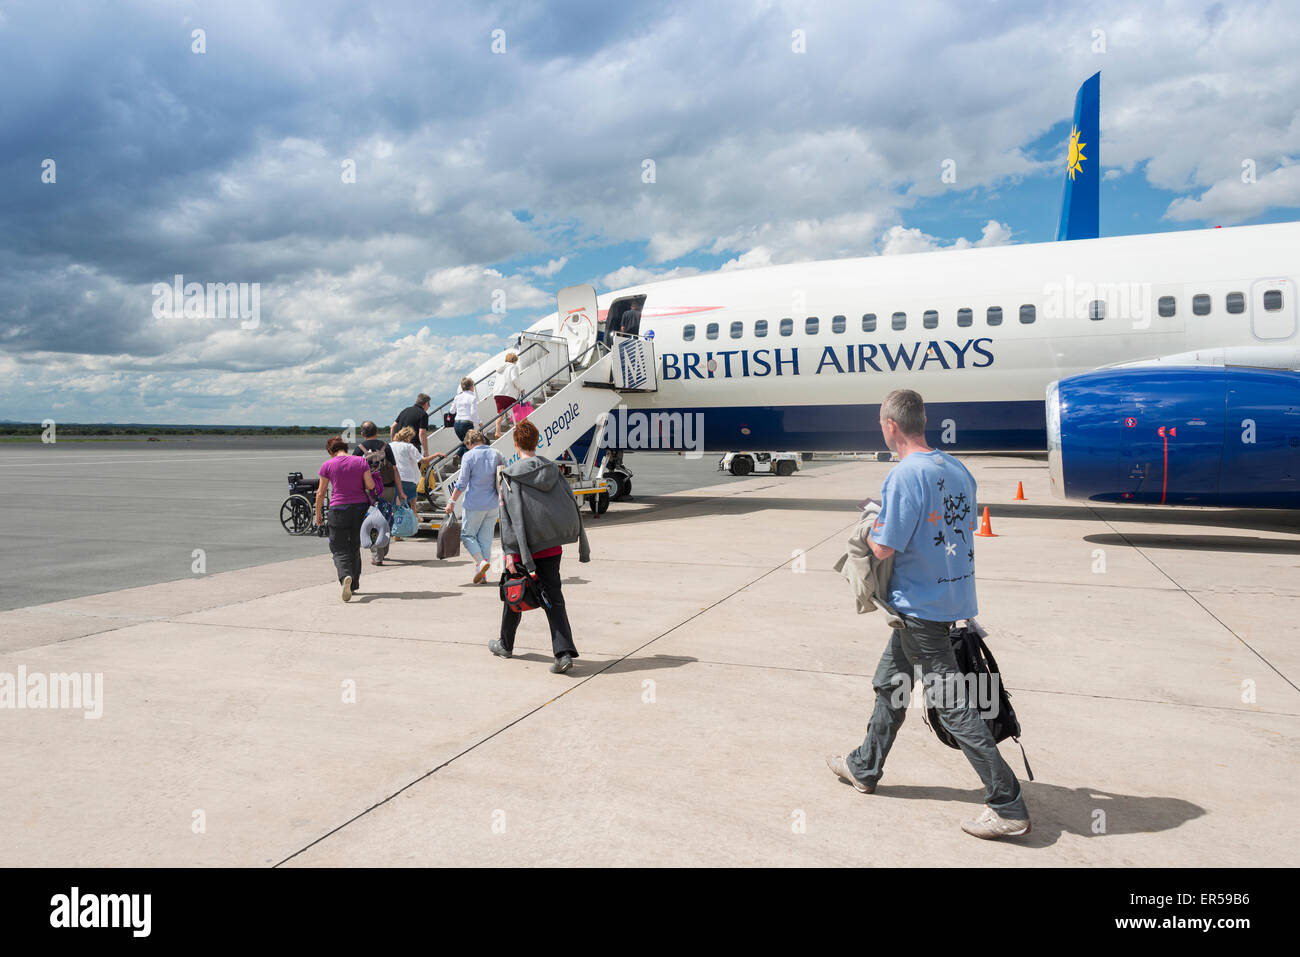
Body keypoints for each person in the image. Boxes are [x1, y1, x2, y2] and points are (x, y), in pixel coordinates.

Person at [825, 388, 1031, 840]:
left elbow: (883, 546)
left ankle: (1007, 803)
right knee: (891, 685)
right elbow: (959, 526)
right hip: (949, 599)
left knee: (953, 705)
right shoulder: (956, 468)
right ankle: (864, 765)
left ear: (889, 425)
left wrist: (871, 520)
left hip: (921, 609)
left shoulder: (904, 475)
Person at [492, 419, 590, 673]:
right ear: (537, 442)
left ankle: (514, 645)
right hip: (552, 547)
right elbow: (568, 500)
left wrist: (510, 553)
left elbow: (508, 518)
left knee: (515, 591)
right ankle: (555, 651)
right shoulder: (553, 470)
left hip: (526, 547)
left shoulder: (510, 476)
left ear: (515, 444)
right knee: (552, 598)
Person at [315, 434, 375, 602]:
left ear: (330, 451)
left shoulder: (327, 465)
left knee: (338, 547)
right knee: (354, 546)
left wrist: (317, 514)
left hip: (338, 509)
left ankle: (345, 576)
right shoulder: (360, 461)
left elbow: (320, 493)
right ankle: (354, 584)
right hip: (360, 509)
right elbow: (370, 485)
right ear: (345, 448)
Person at [444, 429, 502, 584]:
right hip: (493, 504)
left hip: (475, 504)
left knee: (467, 535)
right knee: (485, 539)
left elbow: (462, 483)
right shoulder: (496, 453)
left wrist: (451, 501)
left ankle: (481, 563)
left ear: (469, 443)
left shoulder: (469, 456)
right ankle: (482, 575)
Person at [353, 422, 397, 563]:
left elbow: (354, 471)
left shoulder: (359, 450)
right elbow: (394, 468)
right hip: (388, 487)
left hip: (369, 491)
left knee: (372, 521)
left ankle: (377, 555)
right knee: (386, 518)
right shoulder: (386, 447)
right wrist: (399, 489)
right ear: (377, 431)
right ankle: (383, 549)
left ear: (362, 434)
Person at [390, 426, 441, 537]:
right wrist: (436, 454)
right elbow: (423, 460)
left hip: (394, 477)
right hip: (408, 477)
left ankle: (397, 530)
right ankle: (414, 514)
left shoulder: (390, 445)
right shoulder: (409, 447)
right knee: (412, 497)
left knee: (397, 505)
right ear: (408, 437)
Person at [491, 353, 523, 439]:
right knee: (516, 410)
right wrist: (520, 388)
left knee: (500, 412)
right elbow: (514, 379)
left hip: (498, 393)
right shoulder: (513, 367)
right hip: (508, 393)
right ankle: (517, 429)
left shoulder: (500, 369)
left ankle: (497, 432)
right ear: (514, 360)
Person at [450, 377, 481, 448]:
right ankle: (458, 455)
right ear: (471, 387)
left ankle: (458, 456)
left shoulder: (457, 397)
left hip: (456, 424)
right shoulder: (472, 397)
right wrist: (479, 422)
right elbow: (473, 413)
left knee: (465, 444)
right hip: (466, 424)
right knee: (471, 445)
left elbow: (452, 411)